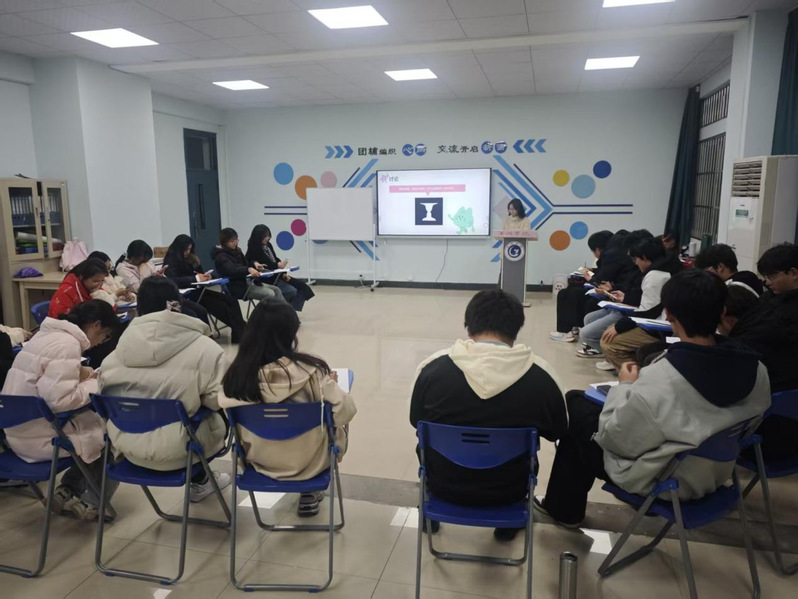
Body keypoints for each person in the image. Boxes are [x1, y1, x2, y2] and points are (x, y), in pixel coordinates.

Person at [536, 269, 771, 528]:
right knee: (583, 406)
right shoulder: (757, 370)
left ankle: (563, 510)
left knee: (577, 409)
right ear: (723, 312)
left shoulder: (663, 379)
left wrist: (625, 386)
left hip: (664, 479)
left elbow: (615, 440)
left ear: (669, 315)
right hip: (716, 472)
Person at [410, 290, 568, 541]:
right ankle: (508, 523)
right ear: (516, 330)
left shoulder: (432, 369)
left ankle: (430, 512)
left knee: (427, 441)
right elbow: (559, 430)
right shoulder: (541, 376)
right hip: (509, 491)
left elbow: (415, 420)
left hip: (444, 485)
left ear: (469, 325)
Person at [99, 277, 231, 501]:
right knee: (214, 413)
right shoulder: (206, 348)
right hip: (183, 450)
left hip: (128, 448)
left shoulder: (113, 355)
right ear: (177, 305)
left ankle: (200, 480)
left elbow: (105, 395)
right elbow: (218, 399)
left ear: (139, 307)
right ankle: (200, 481)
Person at [219, 300, 355, 517]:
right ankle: (309, 490)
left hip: (260, 461)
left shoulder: (236, 377)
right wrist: (331, 385)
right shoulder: (312, 371)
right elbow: (346, 412)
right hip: (311, 462)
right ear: (291, 333)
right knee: (334, 421)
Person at [2, 300, 121, 520]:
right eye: (104, 336)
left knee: (91, 435)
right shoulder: (68, 345)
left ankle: (66, 490)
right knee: (111, 438)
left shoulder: (45, 335)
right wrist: (96, 384)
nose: (100, 343)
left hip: (15, 433)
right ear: (96, 325)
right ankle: (92, 504)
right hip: (41, 439)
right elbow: (59, 401)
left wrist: (83, 373)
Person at [729, 243, 798, 460]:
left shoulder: (782, 316)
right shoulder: (773, 300)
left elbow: (749, 344)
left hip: (768, 421)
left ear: (793, 273)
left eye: (771, 276)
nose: (767, 282)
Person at [598, 237, 683, 371]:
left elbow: (648, 312)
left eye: (636, 259)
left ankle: (634, 375)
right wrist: (626, 298)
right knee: (611, 329)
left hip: (660, 329)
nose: (635, 263)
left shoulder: (655, 275)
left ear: (644, 257)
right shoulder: (670, 268)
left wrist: (621, 326)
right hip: (670, 325)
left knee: (609, 341)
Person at [575, 230, 651, 358]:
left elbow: (645, 307)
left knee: (587, 331)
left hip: (630, 311)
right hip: (623, 305)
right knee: (589, 318)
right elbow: (627, 286)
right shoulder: (636, 267)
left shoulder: (651, 274)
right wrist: (612, 289)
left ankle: (615, 356)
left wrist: (618, 327)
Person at [164, 234, 246, 343]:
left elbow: (198, 273)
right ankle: (240, 333)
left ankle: (240, 332)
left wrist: (206, 276)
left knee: (231, 300)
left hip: (199, 291)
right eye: (186, 249)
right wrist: (196, 278)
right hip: (188, 295)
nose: (188, 252)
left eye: (189, 249)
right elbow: (174, 280)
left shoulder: (190, 258)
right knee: (221, 306)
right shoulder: (170, 261)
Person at [550, 230, 613, 342]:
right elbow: (603, 272)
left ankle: (565, 331)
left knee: (566, 294)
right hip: (605, 290)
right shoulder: (613, 256)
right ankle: (572, 327)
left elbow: (600, 279)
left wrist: (590, 277)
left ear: (597, 250)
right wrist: (592, 270)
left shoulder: (609, 257)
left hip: (607, 292)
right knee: (571, 290)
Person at [245, 225, 315, 312]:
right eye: (265, 236)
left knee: (303, 287)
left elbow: (275, 259)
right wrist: (276, 265)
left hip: (278, 275)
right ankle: (287, 312)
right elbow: (261, 265)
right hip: (268, 279)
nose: (268, 238)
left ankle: (290, 311)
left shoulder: (268, 245)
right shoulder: (253, 248)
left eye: (268, 235)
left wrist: (283, 271)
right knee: (292, 291)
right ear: (258, 236)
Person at [211, 228, 285, 305]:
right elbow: (232, 270)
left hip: (250, 282)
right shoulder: (220, 257)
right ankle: (270, 312)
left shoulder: (237, 251)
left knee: (277, 290)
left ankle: (284, 311)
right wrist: (248, 269)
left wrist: (255, 264)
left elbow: (246, 264)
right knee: (270, 294)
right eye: (232, 241)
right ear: (224, 242)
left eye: (236, 240)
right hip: (238, 286)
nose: (235, 243)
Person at [694, 243, 764, 296]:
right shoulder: (750, 278)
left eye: (706, 272)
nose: (706, 277)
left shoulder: (730, 292)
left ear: (720, 267)